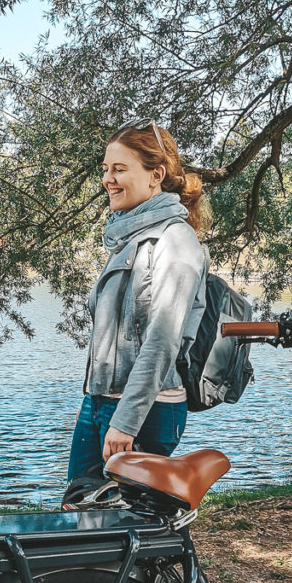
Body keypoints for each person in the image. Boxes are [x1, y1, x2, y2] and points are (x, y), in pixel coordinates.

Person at [67, 118, 209, 484]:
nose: (107, 179)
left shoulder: (174, 241)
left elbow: (162, 341)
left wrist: (126, 421)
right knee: (80, 515)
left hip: (147, 409)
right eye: (105, 169)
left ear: (155, 174)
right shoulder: (128, 237)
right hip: (99, 401)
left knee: (133, 527)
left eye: (119, 169)